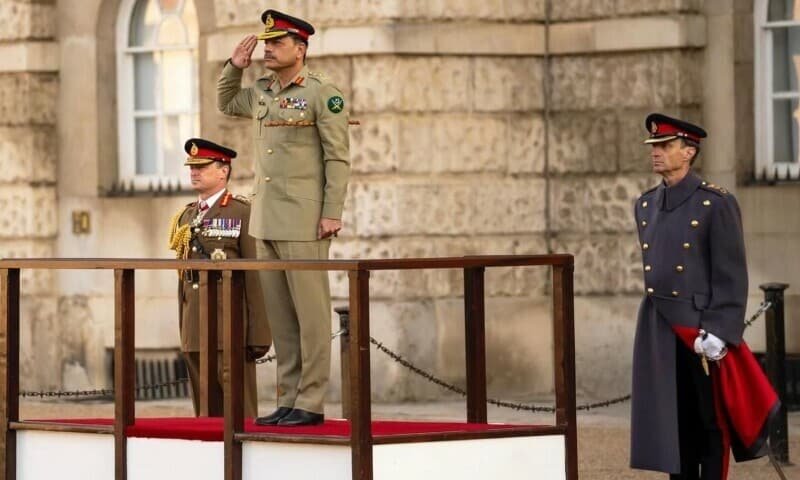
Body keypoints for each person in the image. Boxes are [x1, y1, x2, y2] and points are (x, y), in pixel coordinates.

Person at [217, 9, 350, 426]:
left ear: (301, 48)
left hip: (305, 220)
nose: (268, 49)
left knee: (311, 317)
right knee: (281, 318)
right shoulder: (262, 91)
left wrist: (331, 213)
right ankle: (289, 398)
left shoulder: (322, 94)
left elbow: (338, 157)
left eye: (277, 43)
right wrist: (233, 68)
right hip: (267, 220)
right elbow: (226, 103)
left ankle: (311, 402)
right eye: (266, 43)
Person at [630, 114, 778, 479]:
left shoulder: (715, 203)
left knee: (710, 425)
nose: (657, 153)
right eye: (654, 147)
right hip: (661, 329)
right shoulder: (646, 205)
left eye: (666, 146)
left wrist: (719, 330)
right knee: (672, 424)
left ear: (689, 151)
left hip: (700, 332)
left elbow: (730, 274)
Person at [168, 138, 271, 418]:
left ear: (223, 171)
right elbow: (184, 280)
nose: (194, 172)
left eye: (202, 167)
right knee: (204, 413)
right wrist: (185, 329)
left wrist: (259, 334)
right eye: (192, 167)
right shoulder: (186, 216)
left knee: (239, 412)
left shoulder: (241, 212)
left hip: (230, 328)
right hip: (196, 328)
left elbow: (256, 278)